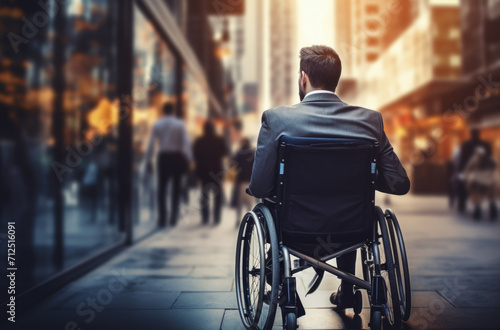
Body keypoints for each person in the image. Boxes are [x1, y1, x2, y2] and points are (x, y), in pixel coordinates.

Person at [248, 45, 410, 310]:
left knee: (266, 208)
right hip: (353, 228)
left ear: (303, 77)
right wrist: (361, 178)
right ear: (336, 79)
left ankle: (283, 287)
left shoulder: (277, 119)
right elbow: (399, 183)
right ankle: (348, 290)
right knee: (348, 205)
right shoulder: (370, 121)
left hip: (295, 230)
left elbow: (259, 186)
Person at [145, 103, 191, 227]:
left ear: (163, 110)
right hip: (176, 157)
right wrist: (189, 159)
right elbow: (185, 143)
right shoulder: (179, 124)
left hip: (163, 157)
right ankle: (173, 217)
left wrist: (148, 160)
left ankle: (162, 218)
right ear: (173, 110)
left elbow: (151, 144)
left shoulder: (157, 124)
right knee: (176, 189)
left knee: (162, 189)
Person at [193, 120, 229, 225]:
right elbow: (225, 153)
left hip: (203, 171)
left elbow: (195, 155)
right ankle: (217, 217)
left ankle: (205, 217)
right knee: (218, 195)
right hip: (216, 171)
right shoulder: (219, 140)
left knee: (204, 194)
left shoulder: (199, 141)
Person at [456, 128, 492, 213]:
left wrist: (460, 171)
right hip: (485, 171)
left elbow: (462, 160)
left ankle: (462, 204)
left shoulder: (466, 145)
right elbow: (489, 158)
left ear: (471, 134)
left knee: (461, 185)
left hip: (470, 171)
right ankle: (491, 204)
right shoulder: (485, 144)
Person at [464, 145, 497, 220]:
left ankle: (477, 209)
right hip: (490, 180)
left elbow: (468, 169)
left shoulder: (474, 159)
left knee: (476, 194)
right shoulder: (491, 159)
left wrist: (466, 177)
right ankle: (492, 208)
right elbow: (495, 168)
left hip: (477, 180)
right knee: (491, 196)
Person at [231, 138, 256, 227]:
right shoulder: (253, 152)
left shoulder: (238, 153)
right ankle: (249, 221)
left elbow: (232, 164)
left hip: (241, 181)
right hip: (250, 181)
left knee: (239, 203)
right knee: (249, 204)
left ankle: (238, 220)